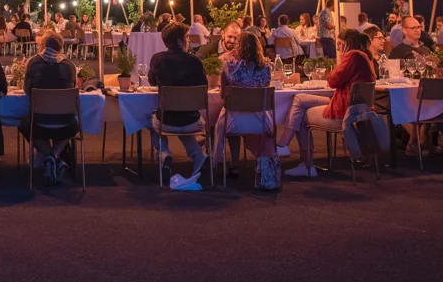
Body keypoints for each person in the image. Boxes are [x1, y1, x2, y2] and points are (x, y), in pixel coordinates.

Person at [276, 30, 377, 177]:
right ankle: (285, 146)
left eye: (340, 44)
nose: (338, 48)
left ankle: (304, 162)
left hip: (344, 111)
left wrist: (342, 59)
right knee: (300, 98)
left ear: (348, 43)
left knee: (301, 115)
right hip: (358, 109)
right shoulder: (365, 57)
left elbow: (333, 81)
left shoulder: (353, 56)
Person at [147, 22, 209, 179]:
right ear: (180, 41)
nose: (188, 40)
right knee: (183, 120)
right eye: (186, 37)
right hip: (192, 121)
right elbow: (204, 87)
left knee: (149, 119)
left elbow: (152, 82)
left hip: (166, 121)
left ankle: (164, 152)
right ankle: (198, 155)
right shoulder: (195, 61)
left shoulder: (157, 59)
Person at [212, 32, 276, 174]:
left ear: (238, 47)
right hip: (261, 121)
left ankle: (227, 163)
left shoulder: (228, 67)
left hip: (235, 121)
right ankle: (265, 162)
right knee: (234, 113)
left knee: (226, 115)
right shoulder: (266, 68)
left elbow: (224, 96)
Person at [19, 34, 78, 184]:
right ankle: (55, 156)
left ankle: (47, 154)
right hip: (65, 123)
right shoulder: (70, 66)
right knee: (75, 124)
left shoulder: (33, 63)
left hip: (38, 123)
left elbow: (27, 90)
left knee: (23, 122)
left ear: (43, 46)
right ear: (60, 48)